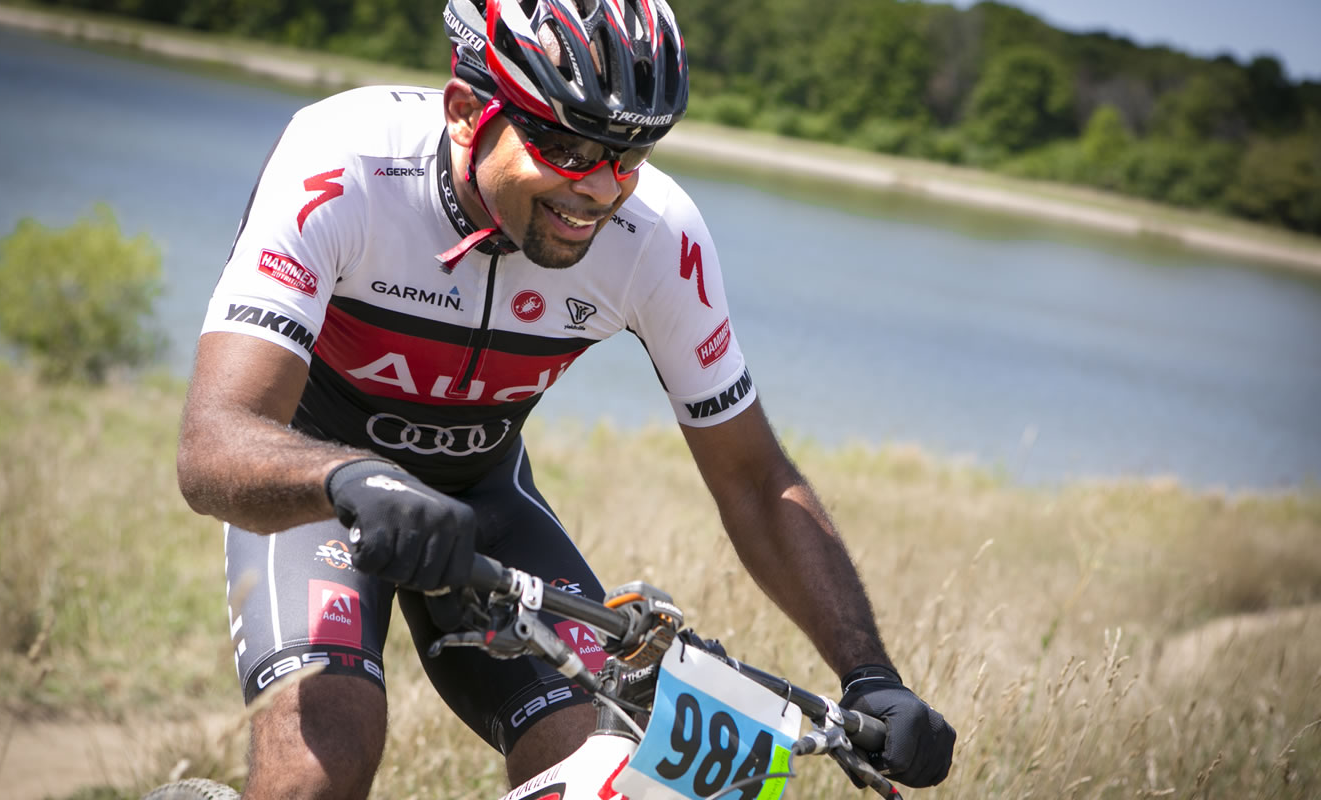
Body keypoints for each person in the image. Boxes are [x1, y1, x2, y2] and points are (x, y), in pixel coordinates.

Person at [176, 0, 956, 797]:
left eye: (630, 153)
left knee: (600, 766)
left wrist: (869, 673)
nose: (599, 189)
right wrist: (350, 480)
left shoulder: (658, 236)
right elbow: (215, 441)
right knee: (322, 762)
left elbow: (752, 478)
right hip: (322, 495)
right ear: (466, 112)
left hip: (485, 503)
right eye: (564, 144)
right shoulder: (343, 163)